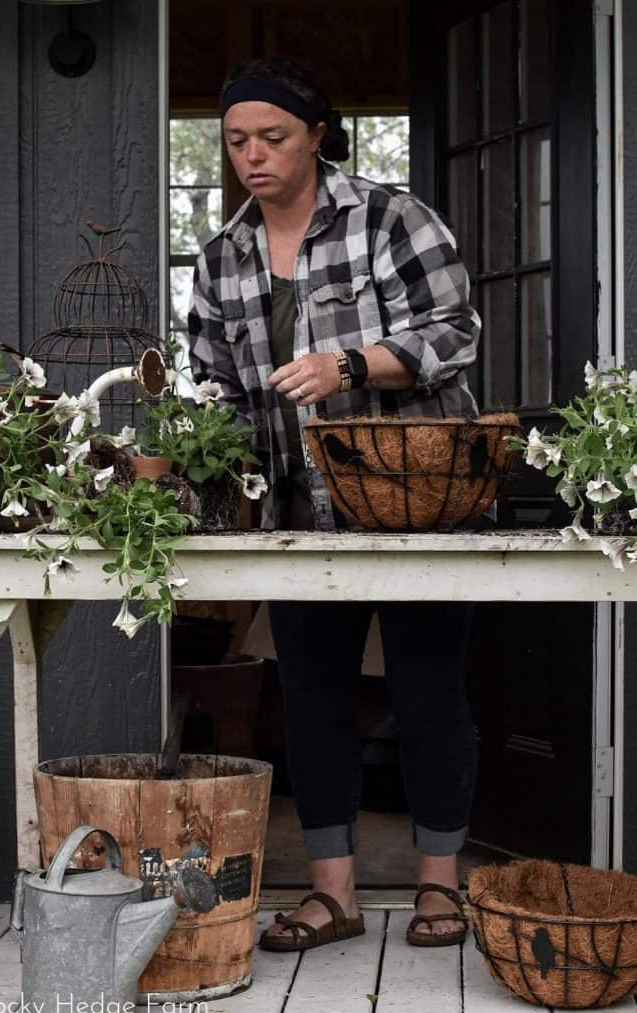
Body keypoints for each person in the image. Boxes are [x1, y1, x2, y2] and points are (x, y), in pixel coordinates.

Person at [189, 57, 481, 951]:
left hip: (415, 499)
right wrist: (183, 454)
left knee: (429, 690)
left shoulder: (391, 217)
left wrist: (349, 364)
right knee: (312, 697)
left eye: (272, 137)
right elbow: (215, 392)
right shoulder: (222, 255)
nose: (252, 155)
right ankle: (332, 896)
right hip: (297, 510)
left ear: (317, 135)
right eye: (237, 140)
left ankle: (437, 888)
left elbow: (454, 332)